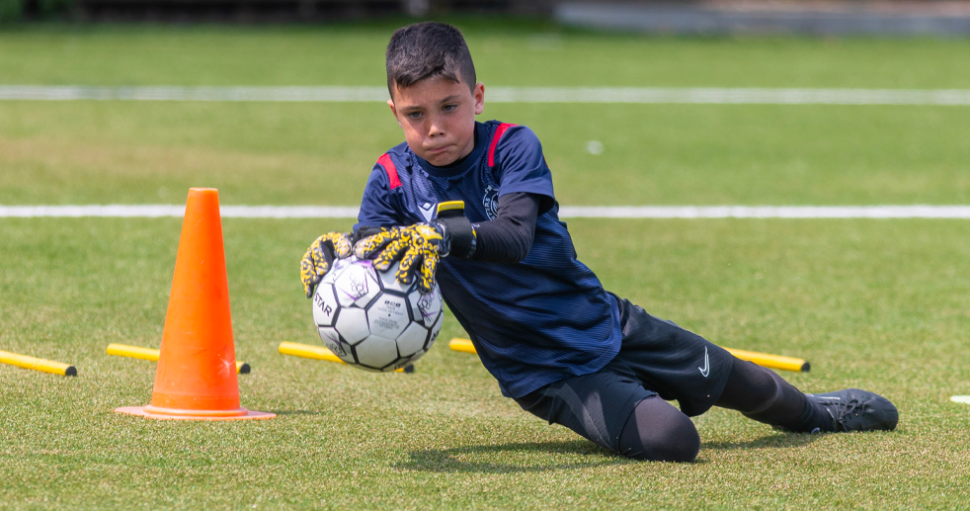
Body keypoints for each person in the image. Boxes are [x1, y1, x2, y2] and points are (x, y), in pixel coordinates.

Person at [299, 21, 898, 462]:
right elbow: (374, 252)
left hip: (605, 320)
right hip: (544, 372)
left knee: (743, 380)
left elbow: (512, 235)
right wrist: (340, 259)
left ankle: (819, 413)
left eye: (449, 107)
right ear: (394, 112)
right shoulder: (394, 178)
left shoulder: (510, 145)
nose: (433, 128)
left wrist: (437, 237)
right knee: (674, 441)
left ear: (477, 98)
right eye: (414, 114)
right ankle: (629, 401)